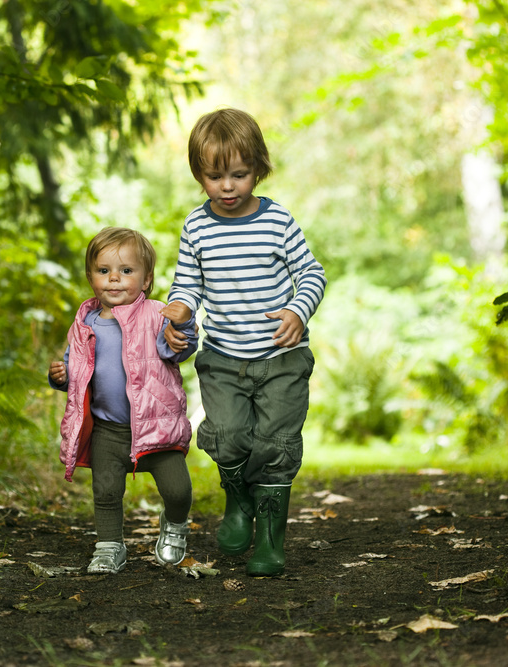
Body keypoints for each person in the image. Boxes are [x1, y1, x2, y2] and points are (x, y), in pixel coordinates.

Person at [161, 108, 327, 577]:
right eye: (215, 177)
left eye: (239, 174)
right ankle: (238, 500)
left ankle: (270, 540)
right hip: (223, 359)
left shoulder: (277, 221)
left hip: (282, 358)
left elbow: (312, 273)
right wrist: (180, 309)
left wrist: (297, 310)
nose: (228, 187)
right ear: (199, 175)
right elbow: (187, 284)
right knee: (228, 436)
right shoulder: (196, 227)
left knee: (275, 444)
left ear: (258, 168)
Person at [49, 227, 199, 574]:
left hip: (157, 425)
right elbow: (78, 372)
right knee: (105, 491)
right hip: (108, 430)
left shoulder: (157, 315)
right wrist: (62, 377)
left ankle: (175, 525)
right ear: (91, 277)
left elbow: (179, 349)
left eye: (126, 270)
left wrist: (184, 328)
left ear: (146, 280)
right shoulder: (84, 323)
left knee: (178, 491)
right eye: (104, 270)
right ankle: (109, 546)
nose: (114, 278)